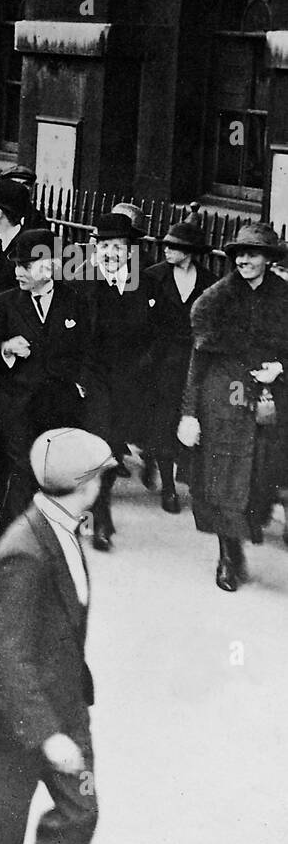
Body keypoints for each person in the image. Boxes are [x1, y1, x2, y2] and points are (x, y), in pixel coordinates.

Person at [0, 427, 112, 844]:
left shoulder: (64, 525)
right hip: (17, 724)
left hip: (67, 705)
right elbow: (8, 657)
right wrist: (48, 735)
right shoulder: (24, 552)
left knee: (81, 811)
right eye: (100, 477)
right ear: (84, 485)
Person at [178, 223, 288, 592]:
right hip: (224, 396)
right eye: (239, 254)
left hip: (271, 399)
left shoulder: (285, 297)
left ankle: (242, 537)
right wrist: (189, 413)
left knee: (259, 474)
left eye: (252, 253)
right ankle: (227, 554)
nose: (244, 260)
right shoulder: (216, 299)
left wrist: (281, 368)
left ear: (269, 259)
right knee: (223, 477)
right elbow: (199, 360)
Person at [0, 229, 94, 537]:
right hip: (18, 402)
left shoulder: (75, 301)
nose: (18, 272)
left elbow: (87, 347)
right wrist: (6, 347)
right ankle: (8, 535)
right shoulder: (5, 302)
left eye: (26, 265)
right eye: (17, 264)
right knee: (23, 466)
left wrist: (79, 385)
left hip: (60, 404)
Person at [77, 213, 150, 551]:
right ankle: (99, 519)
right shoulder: (80, 281)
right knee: (97, 449)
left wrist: (141, 369)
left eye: (117, 247)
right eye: (103, 245)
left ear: (130, 250)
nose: (110, 252)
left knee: (112, 448)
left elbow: (156, 334)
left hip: (128, 380)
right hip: (88, 380)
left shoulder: (143, 284)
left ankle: (91, 511)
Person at [142, 221, 215, 514]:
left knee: (191, 417)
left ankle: (183, 475)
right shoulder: (153, 277)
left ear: (190, 252)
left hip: (193, 359)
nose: (167, 250)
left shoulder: (209, 282)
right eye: (166, 245)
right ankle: (168, 487)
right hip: (159, 359)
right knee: (162, 418)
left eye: (174, 246)